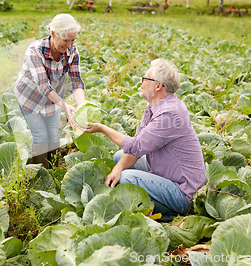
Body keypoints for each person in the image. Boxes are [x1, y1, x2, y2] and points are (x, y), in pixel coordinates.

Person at [85, 59, 206, 216]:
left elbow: (136, 146)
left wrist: (102, 128)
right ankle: (151, 190)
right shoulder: (153, 108)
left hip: (184, 191)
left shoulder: (170, 114)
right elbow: (135, 149)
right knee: (120, 157)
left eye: (144, 79)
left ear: (158, 86)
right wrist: (117, 168)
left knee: (127, 178)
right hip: (165, 173)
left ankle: (173, 214)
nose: (140, 82)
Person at [15, 14, 86, 168]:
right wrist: (65, 106)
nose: (69, 44)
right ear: (53, 33)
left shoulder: (72, 52)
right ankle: (41, 173)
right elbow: (43, 85)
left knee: (53, 135)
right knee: (41, 136)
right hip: (30, 98)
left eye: (73, 40)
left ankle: (51, 170)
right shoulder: (35, 50)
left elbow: (76, 81)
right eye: (65, 40)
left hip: (54, 98)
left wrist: (83, 108)